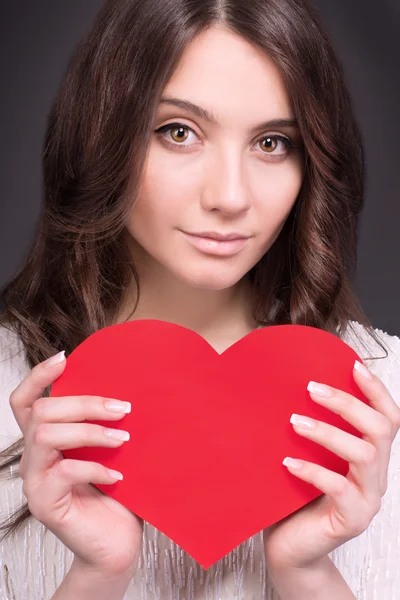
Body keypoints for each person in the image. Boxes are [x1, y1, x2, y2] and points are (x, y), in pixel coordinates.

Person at [0, 0, 399, 598]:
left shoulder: (378, 399)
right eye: (178, 132)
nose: (231, 195)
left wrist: (306, 573)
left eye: (272, 143)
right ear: (101, 135)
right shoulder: (11, 388)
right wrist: (98, 575)